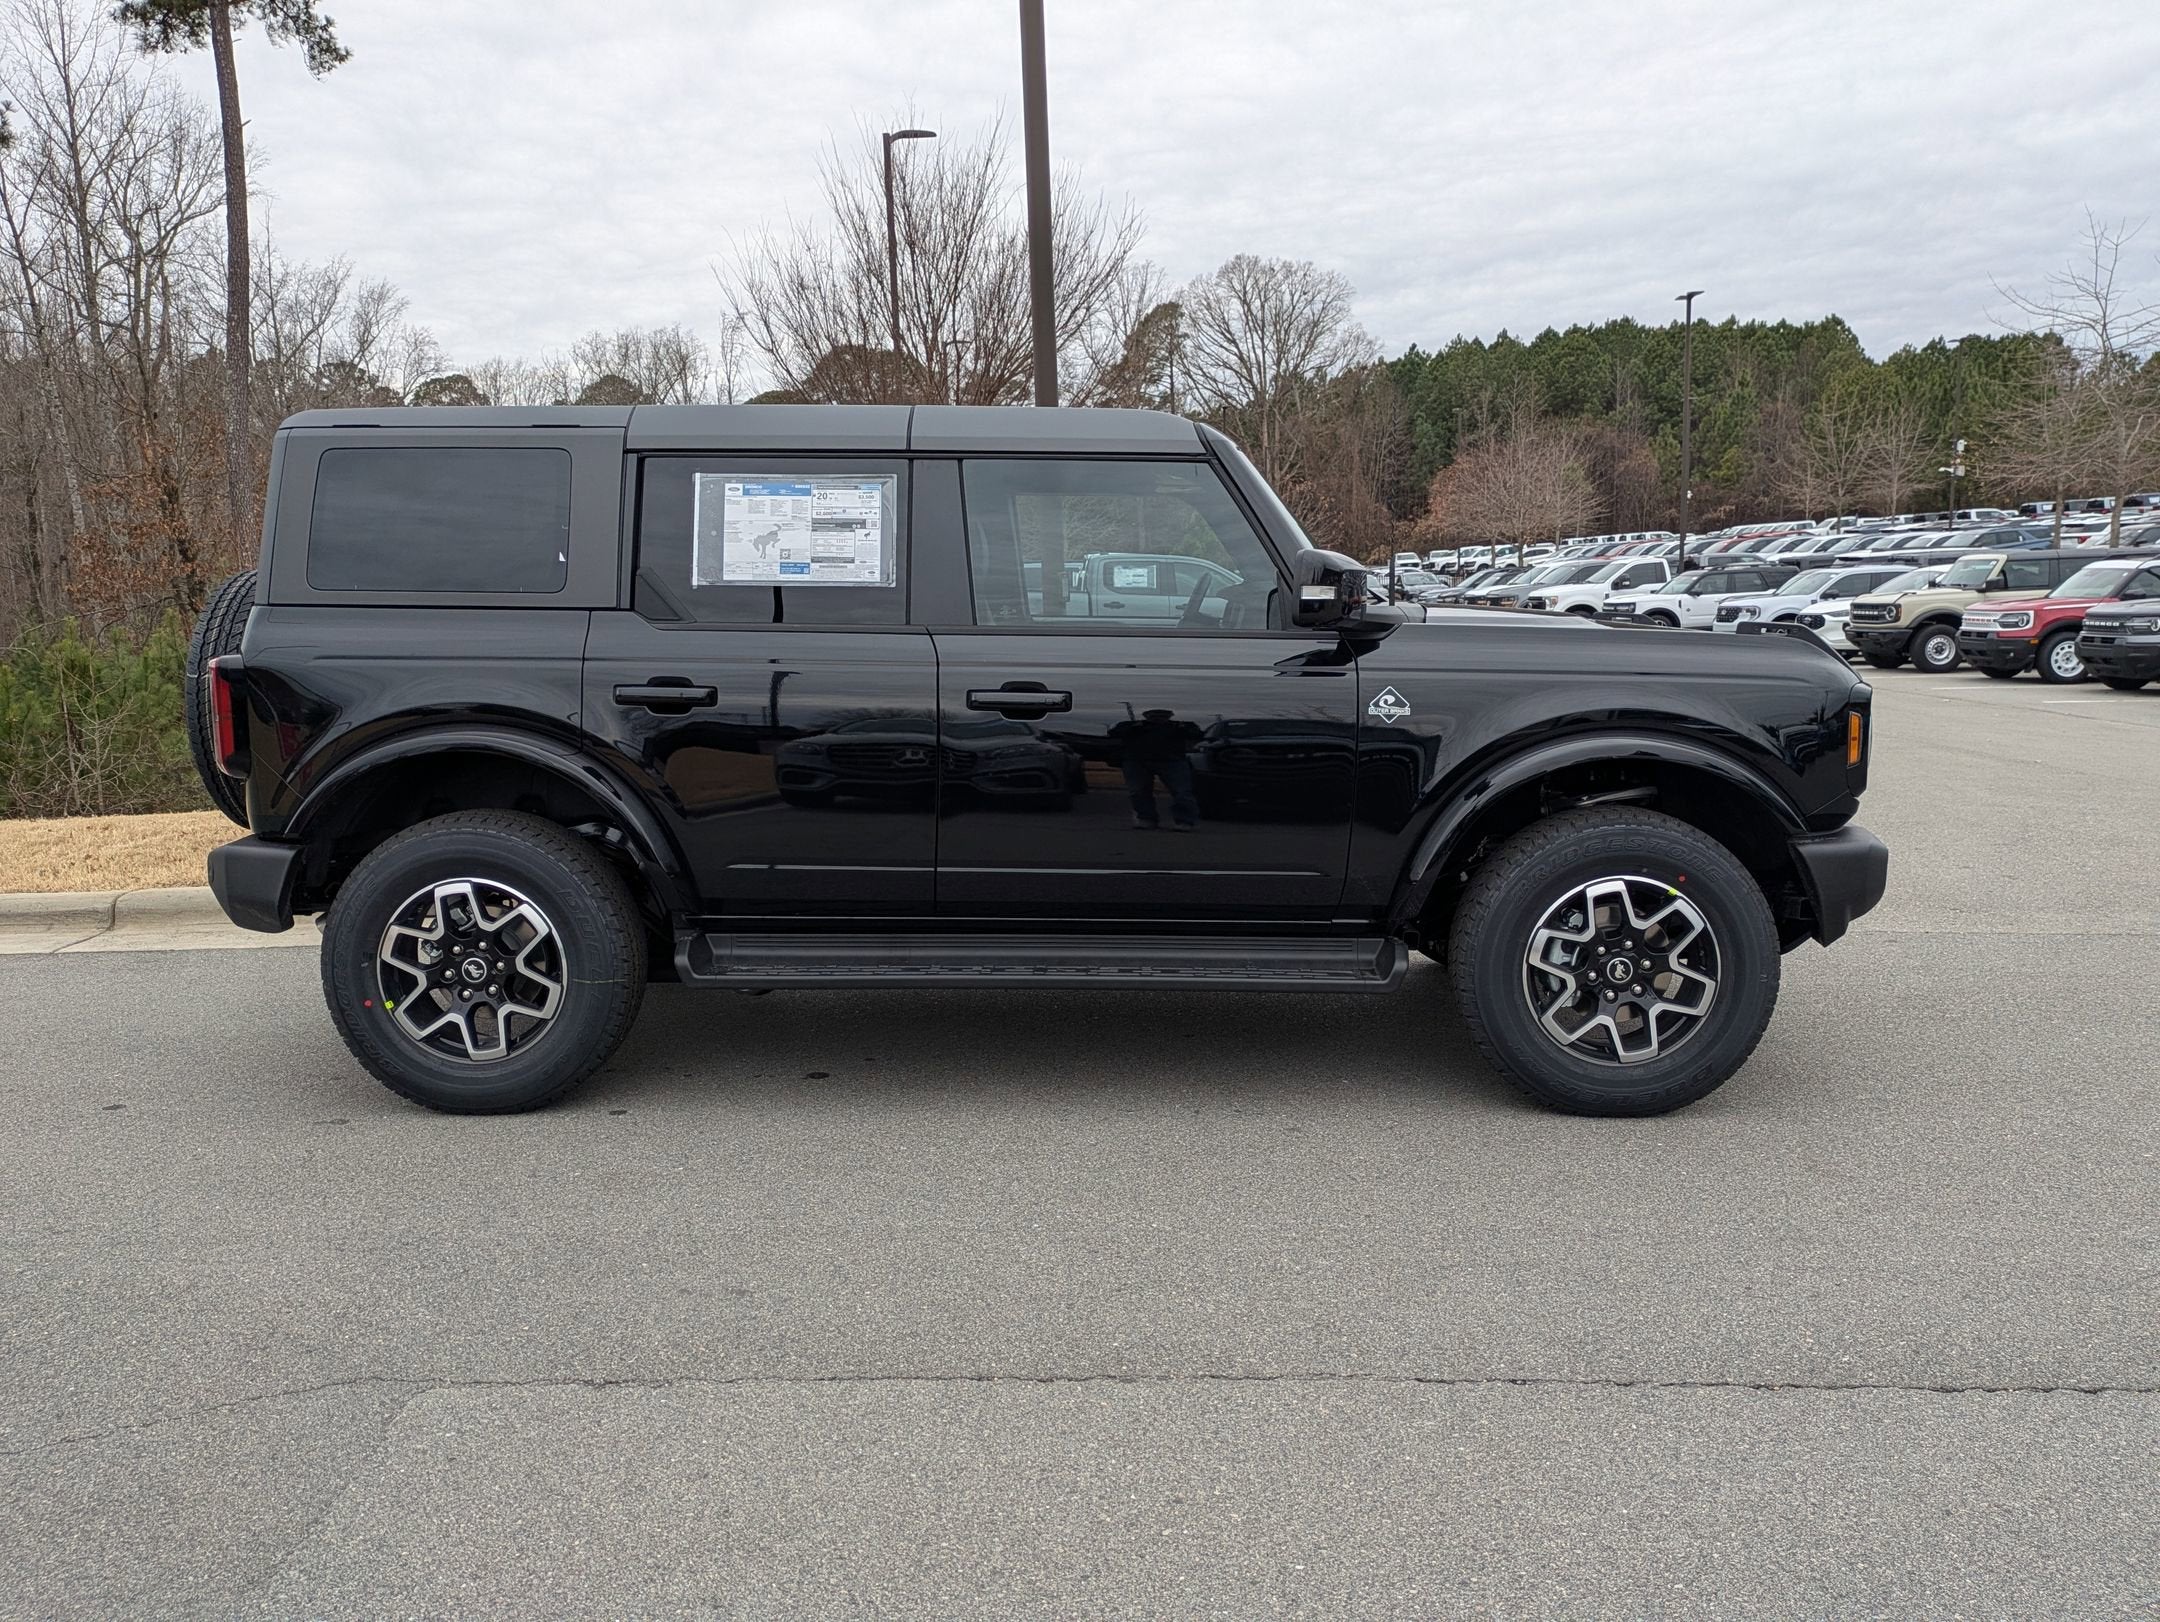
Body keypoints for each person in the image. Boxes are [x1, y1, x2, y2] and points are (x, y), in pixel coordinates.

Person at [1108, 708, 1202, 830]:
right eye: (1154, 715)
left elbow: (1197, 735)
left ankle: (1185, 821)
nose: (1158, 718)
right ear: (1146, 716)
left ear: (1169, 716)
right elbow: (1114, 733)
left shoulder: (1180, 726)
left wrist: (1183, 728)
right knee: (1138, 792)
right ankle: (1146, 818)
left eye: (1163, 715)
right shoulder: (1133, 726)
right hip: (1138, 761)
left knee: (1182, 792)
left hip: (1172, 761)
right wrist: (1133, 728)